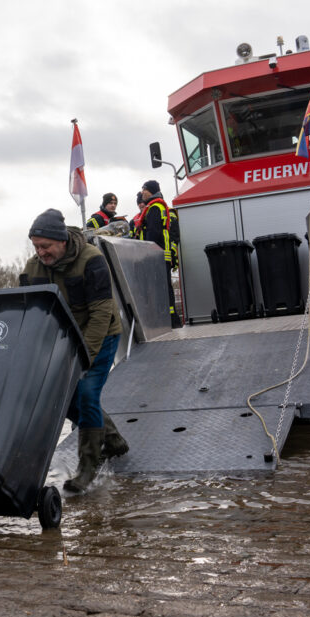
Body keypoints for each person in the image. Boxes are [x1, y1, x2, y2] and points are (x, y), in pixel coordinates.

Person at [20, 209, 123, 493]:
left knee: (87, 392)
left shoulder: (92, 260)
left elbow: (101, 313)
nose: (40, 252)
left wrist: (84, 356)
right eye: (36, 247)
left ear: (62, 240)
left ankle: (88, 466)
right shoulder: (32, 269)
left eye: (45, 246)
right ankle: (113, 440)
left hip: (101, 334)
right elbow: (30, 312)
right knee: (63, 397)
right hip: (65, 337)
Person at [133, 180, 182, 327]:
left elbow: (153, 233)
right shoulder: (158, 206)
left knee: (160, 289)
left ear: (152, 191)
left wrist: (147, 253)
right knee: (165, 287)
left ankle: (167, 320)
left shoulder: (154, 207)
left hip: (156, 255)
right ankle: (171, 319)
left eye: (145, 189)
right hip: (161, 254)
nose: (143, 192)